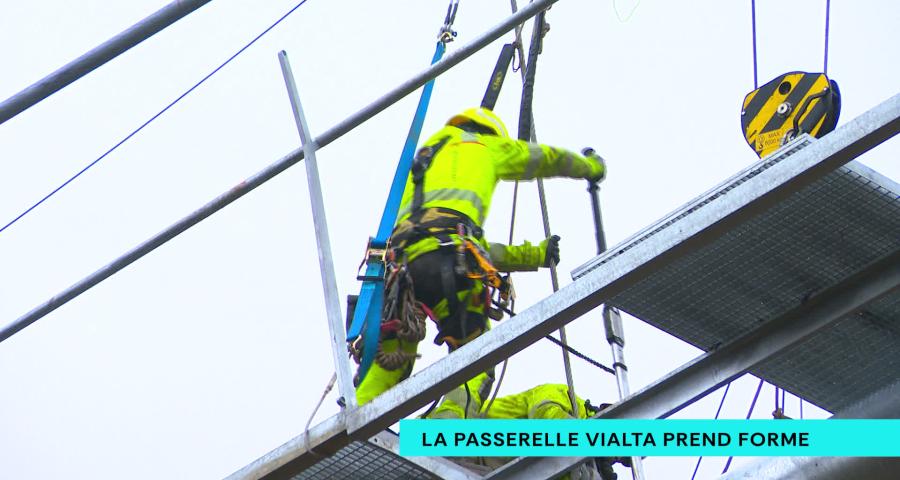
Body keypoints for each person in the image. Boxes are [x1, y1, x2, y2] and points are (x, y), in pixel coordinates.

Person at [354, 107, 606, 406]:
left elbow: (474, 247)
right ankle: (447, 424)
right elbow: (546, 158)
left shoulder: (424, 159)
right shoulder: (486, 146)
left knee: (389, 363)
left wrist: (535, 255)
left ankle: (354, 423)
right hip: (450, 264)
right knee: (475, 361)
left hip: (400, 272)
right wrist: (590, 167)